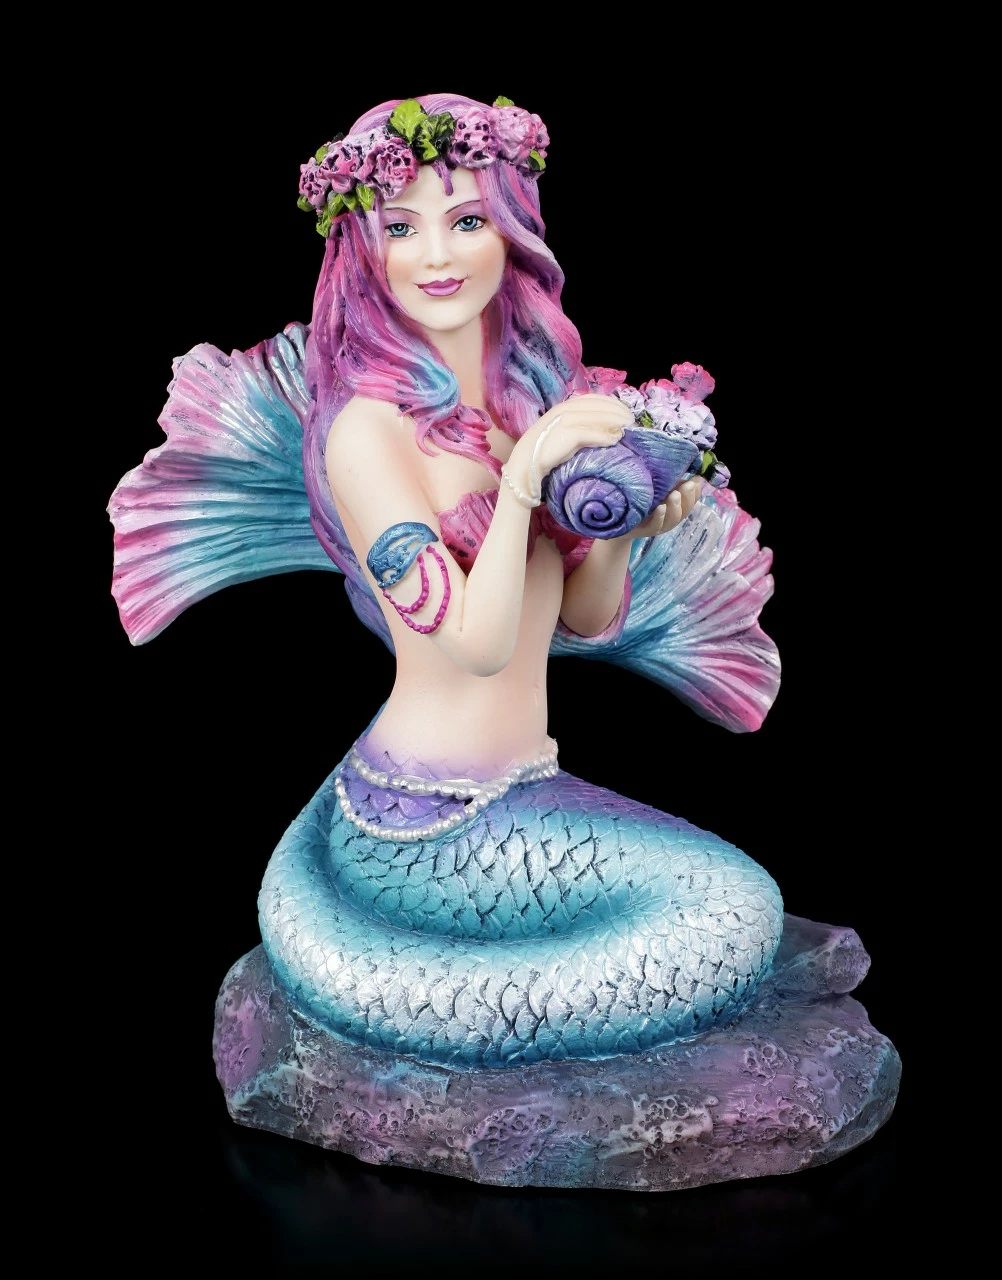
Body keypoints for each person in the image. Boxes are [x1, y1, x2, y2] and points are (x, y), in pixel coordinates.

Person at [109, 93, 784, 1068]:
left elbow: (583, 619)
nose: (436, 255)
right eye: (401, 228)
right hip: (427, 821)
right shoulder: (367, 434)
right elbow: (474, 643)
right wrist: (525, 481)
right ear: (362, 247)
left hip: (523, 788)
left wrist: (621, 526)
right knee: (725, 920)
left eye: (467, 221)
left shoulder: (526, 400)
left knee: (736, 909)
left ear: (511, 231)